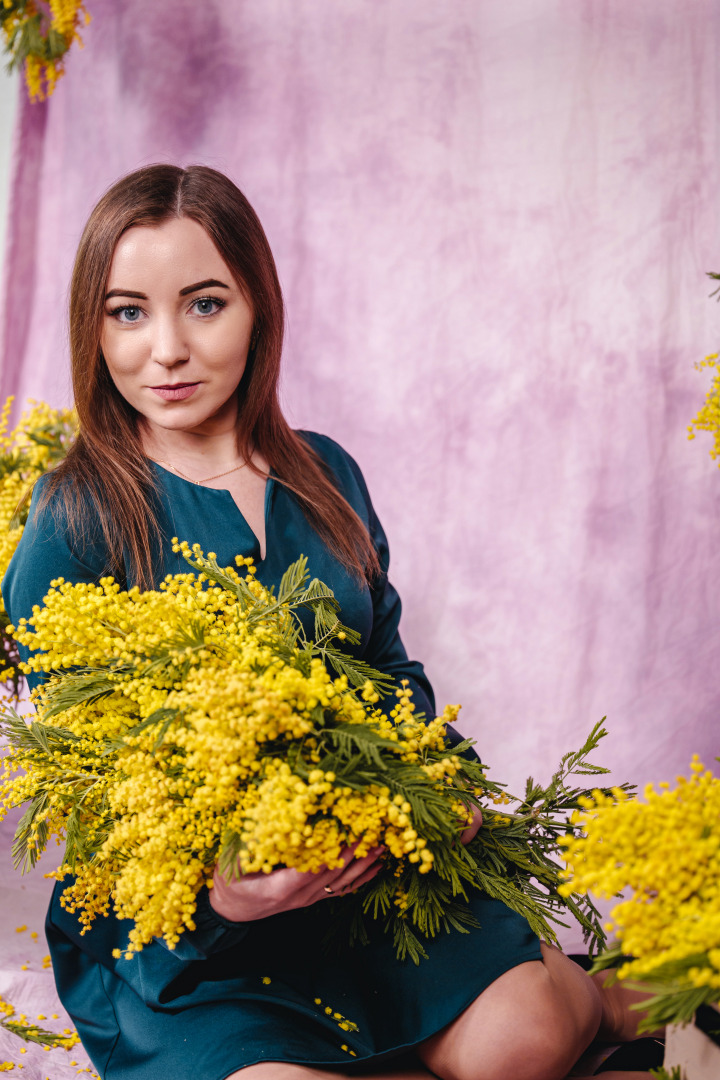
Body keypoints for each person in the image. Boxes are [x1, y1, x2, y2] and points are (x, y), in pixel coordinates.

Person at [2, 165, 653, 1080]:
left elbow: (389, 668)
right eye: (127, 313)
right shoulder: (79, 513)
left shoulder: (327, 473)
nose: (167, 351)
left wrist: (441, 788)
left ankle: (608, 993)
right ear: (93, 327)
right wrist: (222, 893)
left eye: (204, 304)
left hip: (363, 890)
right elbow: (78, 777)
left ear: (259, 307)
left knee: (526, 1043)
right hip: (188, 942)